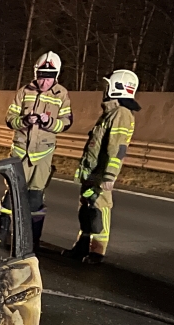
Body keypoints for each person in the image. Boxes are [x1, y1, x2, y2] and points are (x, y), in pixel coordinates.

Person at [0, 52, 72, 252]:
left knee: (36, 199)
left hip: (43, 155)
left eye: (49, 78)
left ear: (56, 76)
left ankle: (33, 241)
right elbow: (10, 118)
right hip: (20, 152)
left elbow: (66, 122)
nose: (45, 82)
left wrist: (49, 122)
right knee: (12, 195)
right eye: (41, 77)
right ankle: (2, 235)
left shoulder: (61, 94)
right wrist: (24, 121)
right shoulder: (24, 91)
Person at [65, 69, 140, 264]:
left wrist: (110, 175)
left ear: (117, 88)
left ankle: (97, 251)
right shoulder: (111, 113)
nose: (105, 90)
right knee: (87, 208)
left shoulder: (121, 114)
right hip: (93, 171)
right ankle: (82, 245)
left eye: (108, 86)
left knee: (100, 208)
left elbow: (117, 148)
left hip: (101, 172)